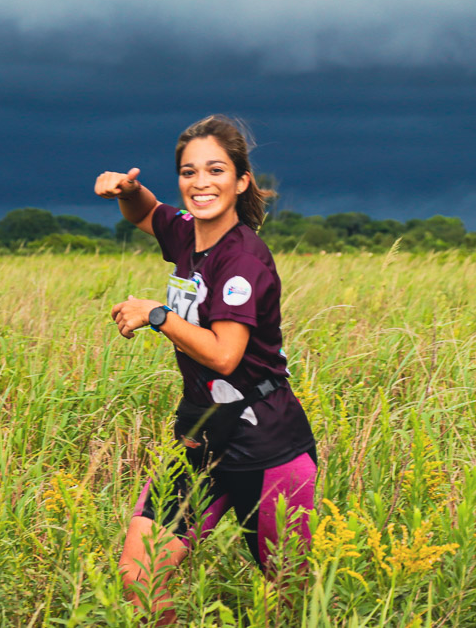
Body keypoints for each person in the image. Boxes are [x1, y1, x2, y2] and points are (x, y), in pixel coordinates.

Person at [94, 115, 317, 622]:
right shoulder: (188, 235)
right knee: (138, 576)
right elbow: (146, 213)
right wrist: (128, 190)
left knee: (291, 599)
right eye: (188, 172)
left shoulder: (242, 259)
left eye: (215, 170)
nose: (200, 183)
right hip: (200, 433)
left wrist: (157, 315)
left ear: (240, 181)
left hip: (266, 444)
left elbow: (224, 355)